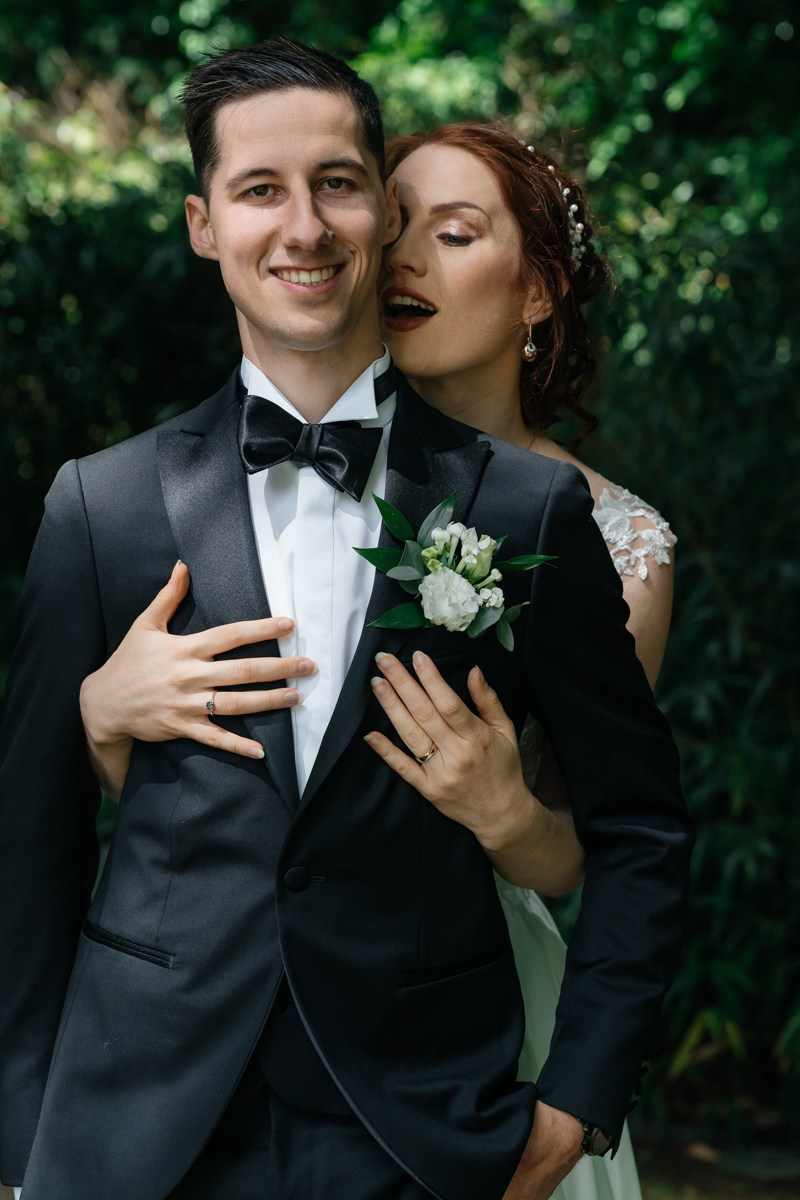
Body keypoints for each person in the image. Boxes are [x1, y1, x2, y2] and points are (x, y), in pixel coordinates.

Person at [0, 38, 693, 1200]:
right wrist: (21, 1146)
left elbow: (638, 833)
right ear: (200, 223)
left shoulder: (524, 504)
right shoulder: (99, 507)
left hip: (421, 1130)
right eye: (258, 190)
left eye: (335, 182)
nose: (303, 227)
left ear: (377, 204)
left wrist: (576, 1099)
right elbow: (30, 854)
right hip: (133, 1133)